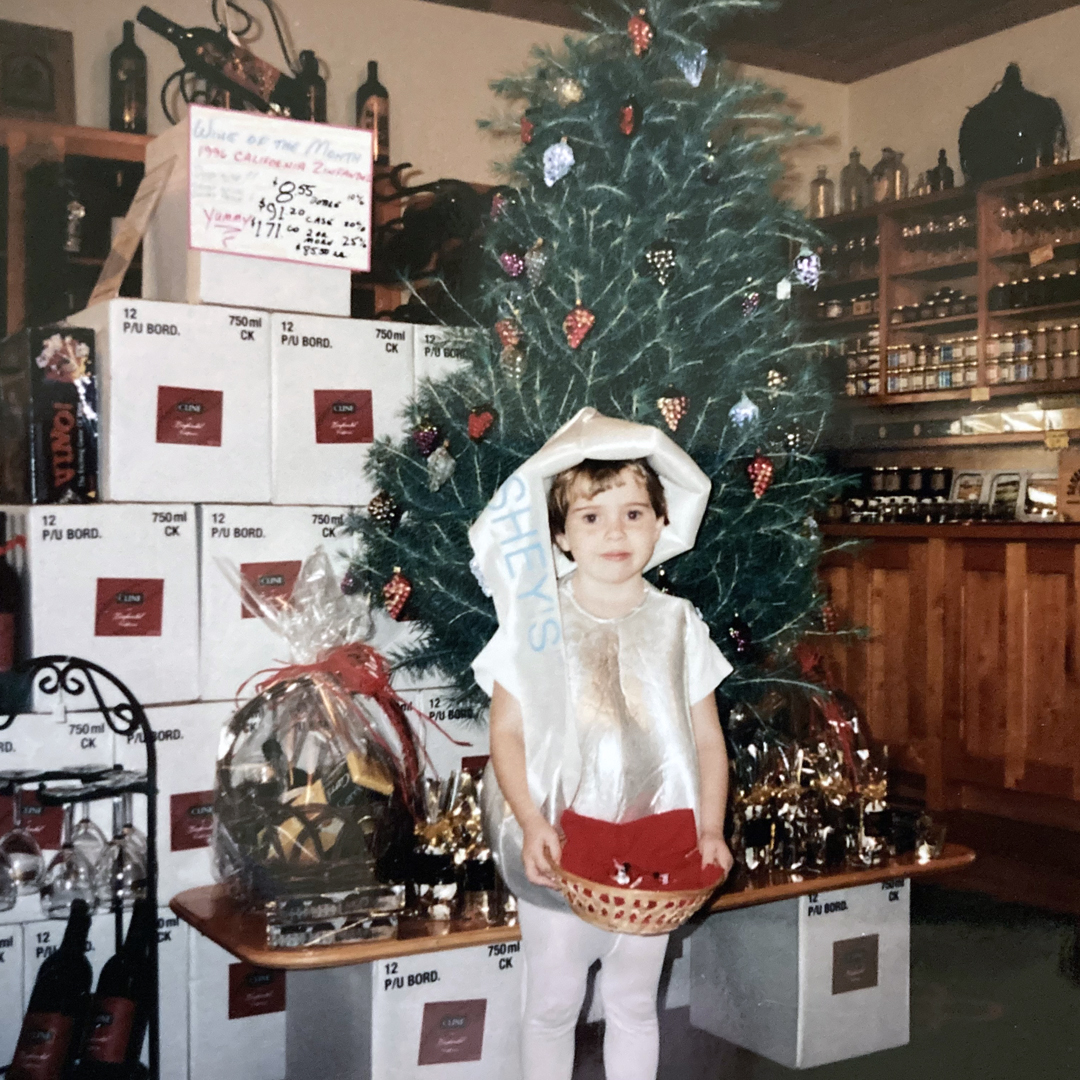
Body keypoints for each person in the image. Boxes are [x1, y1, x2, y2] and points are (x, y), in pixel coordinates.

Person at [470, 408, 734, 1080]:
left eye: (634, 513)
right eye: (591, 516)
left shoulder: (679, 625)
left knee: (633, 1001)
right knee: (554, 1002)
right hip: (562, 839)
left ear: (661, 521)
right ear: (559, 533)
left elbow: (707, 740)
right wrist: (530, 821)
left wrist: (710, 828)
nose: (615, 532)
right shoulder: (536, 624)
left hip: (659, 842)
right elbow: (507, 731)